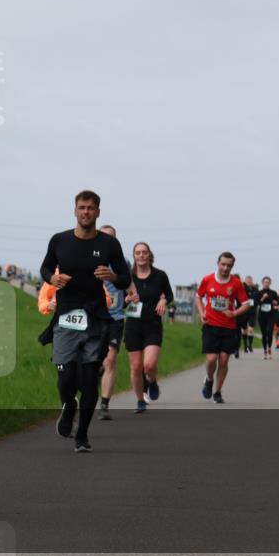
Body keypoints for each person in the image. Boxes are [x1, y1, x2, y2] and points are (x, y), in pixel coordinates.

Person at [39, 191, 131, 452]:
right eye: (82, 207)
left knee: (90, 380)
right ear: (75, 211)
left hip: (96, 319)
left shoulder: (109, 244)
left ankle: (82, 436)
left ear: (98, 212)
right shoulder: (60, 240)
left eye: (91, 208)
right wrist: (52, 279)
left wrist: (112, 277)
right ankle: (69, 406)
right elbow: (45, 268)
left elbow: (125, 278)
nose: (86, 212)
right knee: (65, 377)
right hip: (66, 316)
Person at [195, 252, 252, 404]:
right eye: (223, 264)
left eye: (229, 265)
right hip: (210, 325)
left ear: (232, 266)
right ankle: (209, 379)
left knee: (224, 360)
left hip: (228, 327)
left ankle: (217, 392)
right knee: (212, 359)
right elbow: (198, 297)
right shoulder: (207, 279)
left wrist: (234, 313)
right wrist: (201, 313)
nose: (225, 268)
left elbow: (246, 304)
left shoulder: (236, 283)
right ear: (218, 263)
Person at [124, 241, 174, 413]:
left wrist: (163, 300)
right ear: (134, 256)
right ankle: (140, 400)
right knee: (136, 367)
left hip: (152, 325)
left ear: (149, 254)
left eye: (144, 252)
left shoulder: (159, 275)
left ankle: (152, 381)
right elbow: (120, 301)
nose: (141, 255)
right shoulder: (128, 277)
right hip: (133, 326)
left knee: (149, 365)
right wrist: (127, 299)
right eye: (138, 252)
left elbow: (169, 295)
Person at [97, 225, 129, 421]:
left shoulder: (122, 262)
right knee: (93, 362)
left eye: (111, 238)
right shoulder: (89, 258)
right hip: (93, 318)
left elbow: (128, 283)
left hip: (115, 318)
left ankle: (104, 405)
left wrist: (129, 297)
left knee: (110, 360)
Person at [255, 276, 277, 359]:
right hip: (262, 315)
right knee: (264, 334)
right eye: (265, 282)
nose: (266, 283)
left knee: (269, 332)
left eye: (268, 282)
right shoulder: (259, 292)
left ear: (270, 283)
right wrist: (263, 297)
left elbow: (276, 302)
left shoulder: (273, 293)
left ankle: (269, 348)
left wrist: (275, 303)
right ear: (262, 283)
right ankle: (265, 350)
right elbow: (257, 303)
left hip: (271, 315)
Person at [240, 276, 259, 354]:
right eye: (247, 281)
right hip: (244, 311)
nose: (249, 282)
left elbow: (257, 300)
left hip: (252, 312)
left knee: (251, 329)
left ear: (252, 281)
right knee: (244, 330)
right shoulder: (242, 288)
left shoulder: (255, 290)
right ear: (245, 281)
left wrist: (255, 303)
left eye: (250, 281)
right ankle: (245, 346)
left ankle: (250, 346)